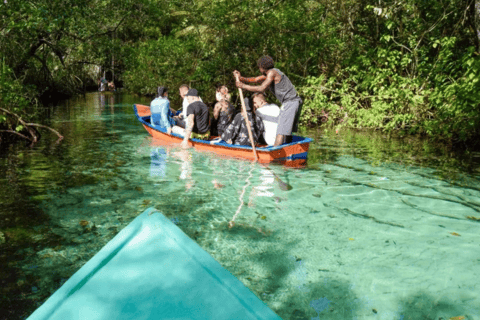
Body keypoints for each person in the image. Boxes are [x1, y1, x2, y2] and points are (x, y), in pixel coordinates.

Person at [233, 55, 302, 146]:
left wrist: (243, 86)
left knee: (280, 131)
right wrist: (241, 78)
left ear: (262, 67)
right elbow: (256, 79)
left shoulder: (272, 73)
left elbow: (261, 88)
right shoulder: (271, 73)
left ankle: (275, 155)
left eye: (259, 67)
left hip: (290, 102)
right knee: (286, 130)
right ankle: (287, 148)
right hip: (294, 102)